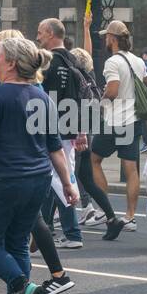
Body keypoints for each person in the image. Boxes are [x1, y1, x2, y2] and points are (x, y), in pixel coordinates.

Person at [0, 36, 78, 294]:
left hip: (3, 178)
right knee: (16, 242)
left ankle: (20, 285)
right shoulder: (42, 97)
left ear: (12, 63)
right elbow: (55, 147)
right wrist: (67, 184)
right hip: (38, 179)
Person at [85, 20, 147, 228]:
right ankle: (130, 218)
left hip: (115, 121)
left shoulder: (113, 62)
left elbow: (112, 90)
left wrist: (101, 103)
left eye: (106, 36)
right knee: (131, 168)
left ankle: (106, 211)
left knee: (93, 160)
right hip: (134, 120)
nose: (104, 39)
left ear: (112, 39)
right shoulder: (138, 61)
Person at [36, 18, 87, 248]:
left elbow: (46, 98)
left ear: (49, 33)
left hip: (52, 127)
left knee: (58, 180)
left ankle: (73, 233)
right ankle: (44, 228)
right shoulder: (73, 59)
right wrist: (81, 129)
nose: (37, 37)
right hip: (71, 126)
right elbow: (83, 96)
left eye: (40, 33)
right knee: (56, 178)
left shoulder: (49, 62)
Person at [70, 46, 123, 235]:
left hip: (77, 134)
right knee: (87, 180)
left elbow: (80, 106)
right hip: (88, 134)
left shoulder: (75, 79)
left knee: (65, 180)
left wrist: (79, 132)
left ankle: (60, 228)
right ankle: (112, 218)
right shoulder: (90, 77)